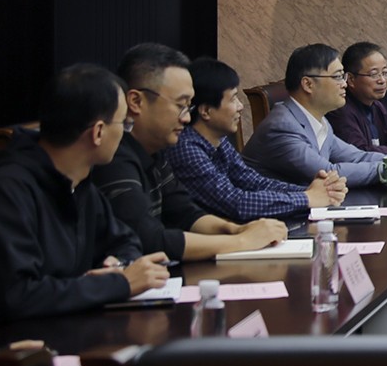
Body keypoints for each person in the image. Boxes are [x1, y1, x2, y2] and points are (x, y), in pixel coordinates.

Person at [0, 64, 169, 325]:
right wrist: (119, 284)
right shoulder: (7, 190)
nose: (124, 133)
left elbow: (124, 240)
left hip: (64, 325)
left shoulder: (79, 183)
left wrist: (118, 264)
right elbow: (16, 296)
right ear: (98, 132)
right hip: (6, 340)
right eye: (124, 123)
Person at [93, 44, 287, 262]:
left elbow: (186, 213)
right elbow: (149, 239)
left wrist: (236, 230)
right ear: (136, 102)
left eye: (188, 107)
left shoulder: (156, 149)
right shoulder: (113, 158)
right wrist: (241, 241)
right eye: (180, 105)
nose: (186, 118)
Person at [164, 57, 347, 222]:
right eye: (233, 99)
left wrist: (315, 191)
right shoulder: (186, 148)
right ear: (205, 111)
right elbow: (236, 203)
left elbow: (254, 182)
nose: (240, 106)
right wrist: (307, 198)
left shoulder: (219, 140)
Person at [246, 43, 387, 188]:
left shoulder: (320, 120)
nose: (344, 84)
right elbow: (328, 173)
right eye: (338, 77)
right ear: (308, 84)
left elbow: (356, 156)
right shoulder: (283, 126)